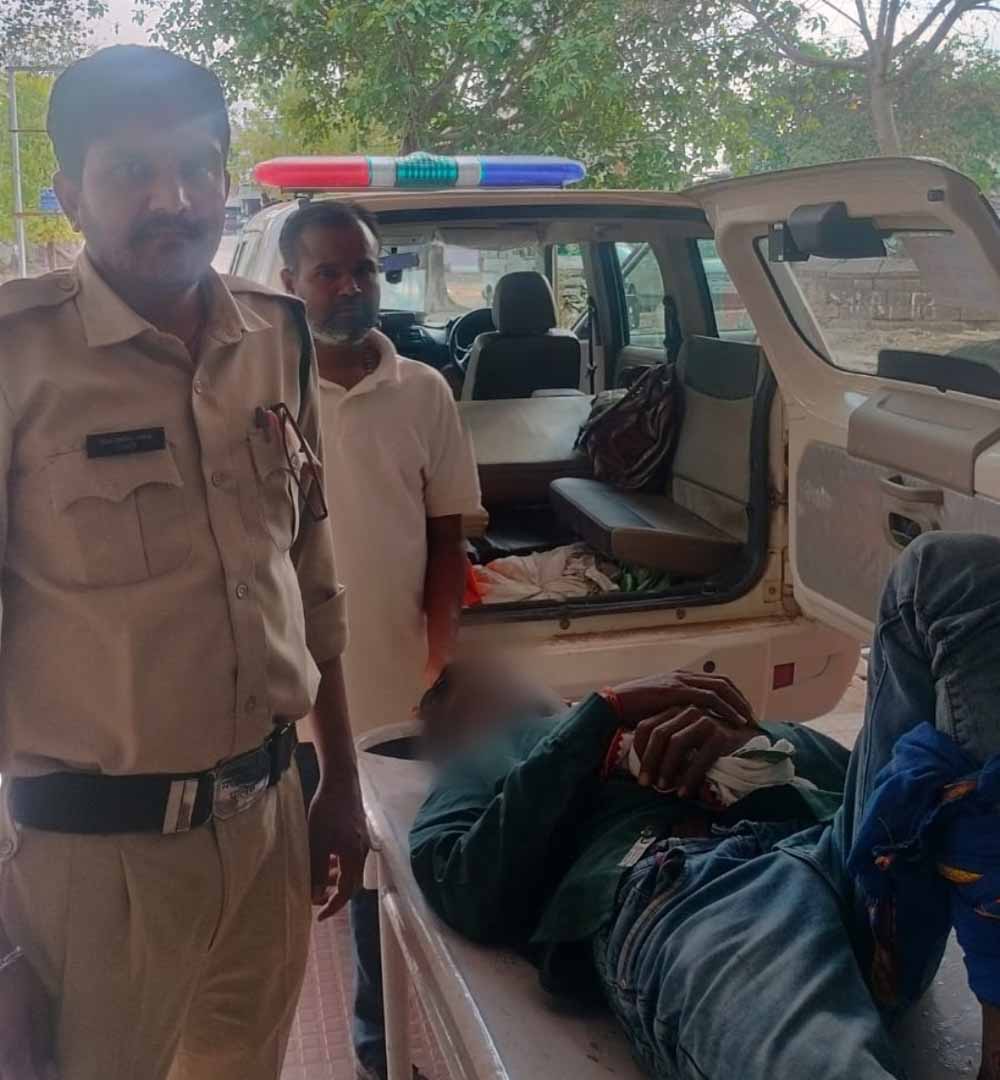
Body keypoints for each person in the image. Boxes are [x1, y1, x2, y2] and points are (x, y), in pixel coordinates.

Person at [0, 46, 367, 1080]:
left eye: (197, 167)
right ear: (69, 193)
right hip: (90, 865)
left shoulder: (277, 337)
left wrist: (339, 785)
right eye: (131, 172)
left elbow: (312, 579)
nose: (174, 199)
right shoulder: (17, 359)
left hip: (271, 824)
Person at [411, 532, 1000, 1080]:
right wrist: (593, 721)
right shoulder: (488, 761)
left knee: (945, 573)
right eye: (475, 698)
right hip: (696, 889)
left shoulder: (651, 718)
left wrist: (756, 742)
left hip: (850, 857)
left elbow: (852, 780)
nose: (502, 688)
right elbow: (461, 885)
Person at [280, 200, 481, 1080]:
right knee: (285, 881)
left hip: (390, 684)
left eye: (363, 267)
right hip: (284, 690)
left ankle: (376, 1052)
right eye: (327, 271)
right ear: (290, 282)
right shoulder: (263, 390)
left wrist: (441, 658)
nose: (350, 286)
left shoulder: (423, 389)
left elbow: (447, 537)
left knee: (375, 882)